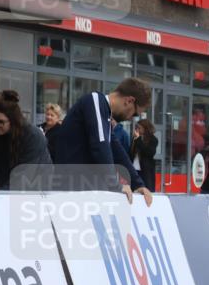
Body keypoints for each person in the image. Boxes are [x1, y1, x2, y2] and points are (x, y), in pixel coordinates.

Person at [52, 77, 152, 205]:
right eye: (135, 114)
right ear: (129, 100)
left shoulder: (105, 116)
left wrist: (138, 184)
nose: (130, 118)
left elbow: (118, 152)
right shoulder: (95, 101)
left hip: (82, 192)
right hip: (71, 193)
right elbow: (101, 147)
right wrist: (115, 185)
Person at [0, 91, 52, 190]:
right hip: (12, 188)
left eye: (0, 122)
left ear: (13, 119)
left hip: (37, 191)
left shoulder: (33, 136)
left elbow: (23, 179)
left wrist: (0, 196)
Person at [129, 118, 158, 192]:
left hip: (145, 170)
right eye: (136, 128)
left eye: (139, 128)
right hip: (134, 169)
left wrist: (138, 139)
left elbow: (149, 152)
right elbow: (131, 153)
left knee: (145, 190)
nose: (137, 129)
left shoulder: (153, 139)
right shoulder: (136, 138)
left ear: (145, 128)